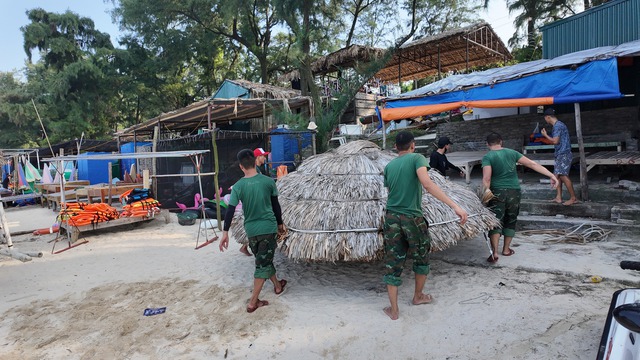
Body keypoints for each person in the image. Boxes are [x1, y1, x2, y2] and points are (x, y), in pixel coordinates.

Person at [382, 131, 469, 321]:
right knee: (421, 258)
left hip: (391, 218)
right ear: (413, 145)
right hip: (412, 218)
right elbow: (427, 184)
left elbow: (392, 190)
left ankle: (394, 310)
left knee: (393, 262)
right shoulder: (417, 158)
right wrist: (455, 206)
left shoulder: (389, 167)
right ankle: (418, 296)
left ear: (396, 147)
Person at [219, 149, 287, 313]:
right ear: (254, 163)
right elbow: (276, 206)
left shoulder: (238, 186)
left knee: (263, 259)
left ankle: (277, 286)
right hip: (268, 227)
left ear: (241, 167)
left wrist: (225, 232)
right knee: (262, 264)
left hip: (251, 230)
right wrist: (280, 224)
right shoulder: (268, 181)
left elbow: (230, 210)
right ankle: (253, 302)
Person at [482, 132, 559, 264]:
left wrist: (485, 196)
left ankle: (494, 252)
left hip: (497, 192)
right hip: (514, 191)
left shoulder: (488, 157)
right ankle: (506, 250)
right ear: (501, 141)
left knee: (495, 221)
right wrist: (551, 175)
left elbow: (487, 178)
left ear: (487, 144)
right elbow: (532, 164)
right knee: (511, 219)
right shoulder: (513, 153)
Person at [236, 147, 271, 257]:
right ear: (257, 157)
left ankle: (244, 246)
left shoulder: (257, 170)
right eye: (263, 156)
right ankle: (246, 246)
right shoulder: (256, 172)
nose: (264, 158)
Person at [541, 108, 578, 205]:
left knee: (563, 175)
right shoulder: (560, 124)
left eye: (545, 118)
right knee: (557, 175)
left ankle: (573, 198)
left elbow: (555, 141)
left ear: (548, 117)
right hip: (560, 153)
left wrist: (545, 135)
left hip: (563, 153)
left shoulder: (557, 126)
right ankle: (558, 197)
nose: (546, 120)